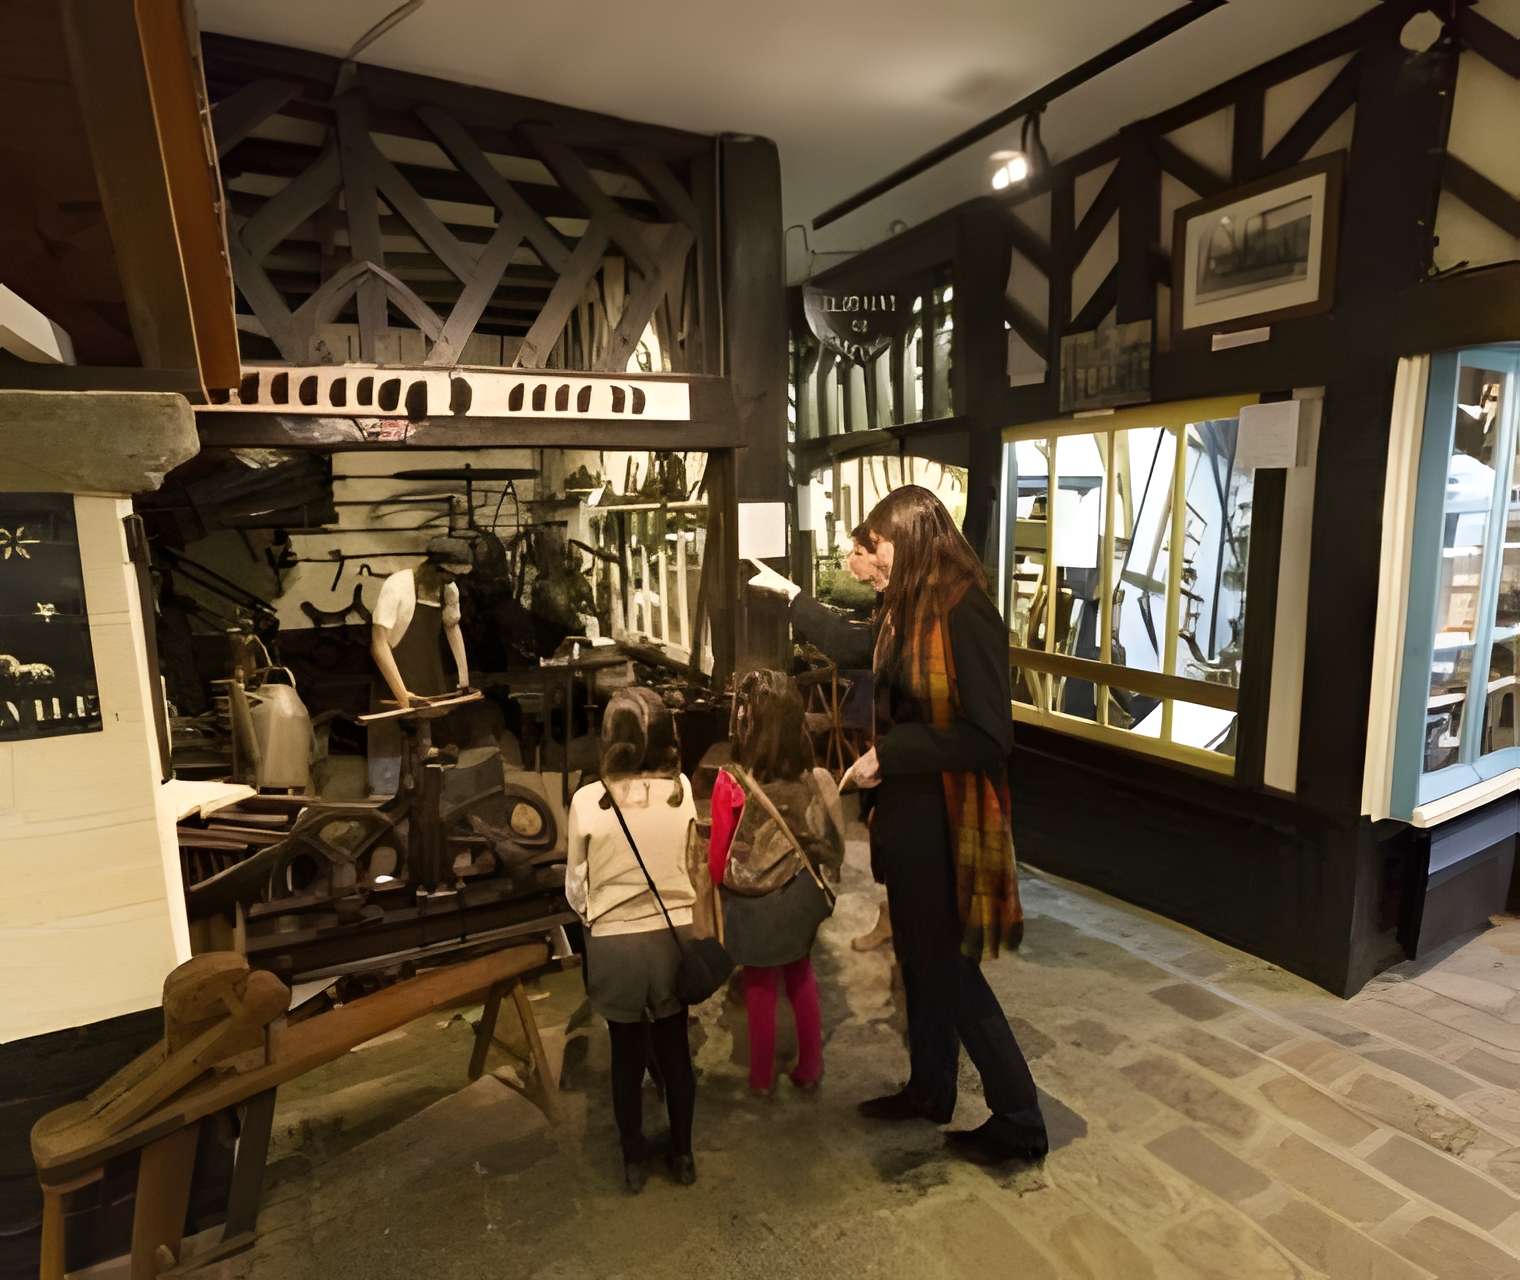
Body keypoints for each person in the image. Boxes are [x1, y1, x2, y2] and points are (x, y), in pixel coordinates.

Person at [848, 485, 1047, 1167]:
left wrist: (891, 753)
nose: (874, 553)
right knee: (920, 964)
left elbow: (990, 735)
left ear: (915, 538)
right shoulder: (907, 609)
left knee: (950, 970)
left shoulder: (966, 612)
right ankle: (929, 1089)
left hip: (946, 821)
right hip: (908, 816)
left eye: (881, 541)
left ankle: (1020, 1117)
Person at [565, 687, 700, 1193]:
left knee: (625, 1056)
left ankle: (633, 1161)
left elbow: (575, 889)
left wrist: (599, 914)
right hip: (673, 937)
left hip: (616, 944)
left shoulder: (587, 799)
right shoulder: (681, 789)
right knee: (674, 1049)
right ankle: (683, 1156)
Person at [707, 670, 845, 1097]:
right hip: (801, 894)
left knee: (760, 984)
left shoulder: (732, 780)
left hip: (754, 901)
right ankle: (810, 1065)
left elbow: (718, 861)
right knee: (801, 973)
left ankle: (762, 1078)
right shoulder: (810, 776)